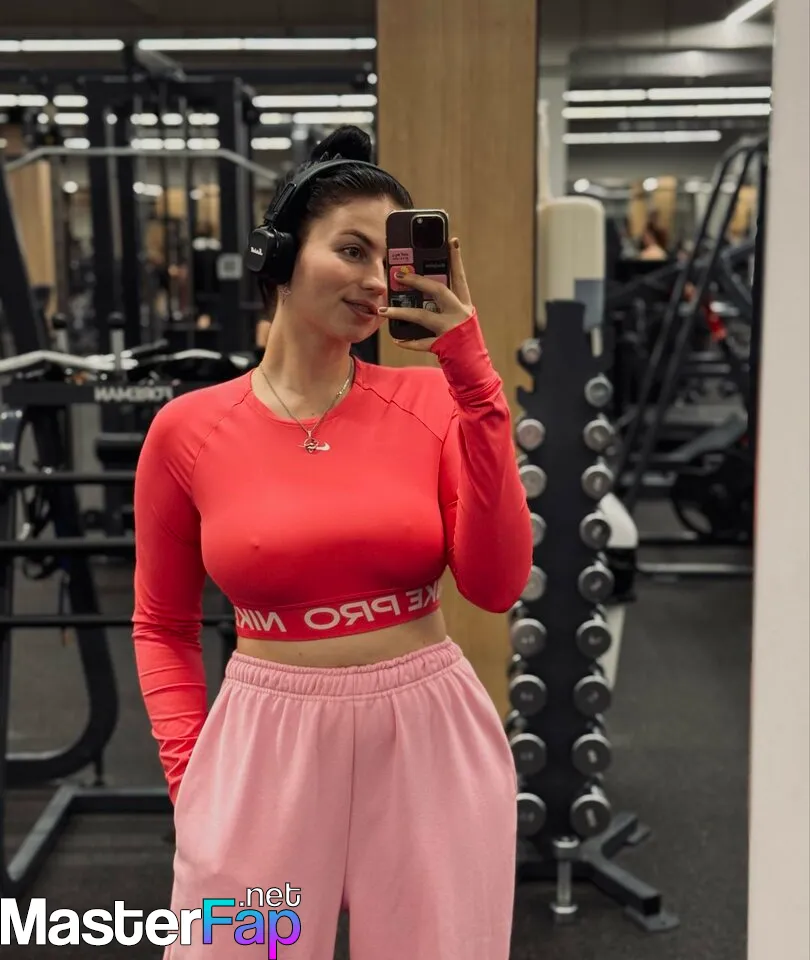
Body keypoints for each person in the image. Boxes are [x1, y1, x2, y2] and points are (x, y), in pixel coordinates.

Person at [131, 125, 534, 960]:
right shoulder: (187, 430)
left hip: (427, 732)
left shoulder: (433, 403)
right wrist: (192, 774)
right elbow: (163, 626)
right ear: (279, 258)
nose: (375, 281)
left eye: (388, 259)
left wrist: (474, 381)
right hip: (264, 741)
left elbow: (496, 586)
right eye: (350, 250)